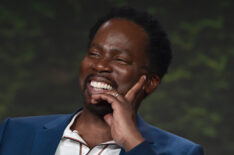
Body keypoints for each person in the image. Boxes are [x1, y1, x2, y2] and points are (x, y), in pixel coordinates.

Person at [0, 7, 204, 155]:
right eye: (94, 53)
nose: (100, 66)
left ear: (149, 83)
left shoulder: (183, 152)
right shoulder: (13, 132)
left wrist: (133, 142)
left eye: (120, 59)